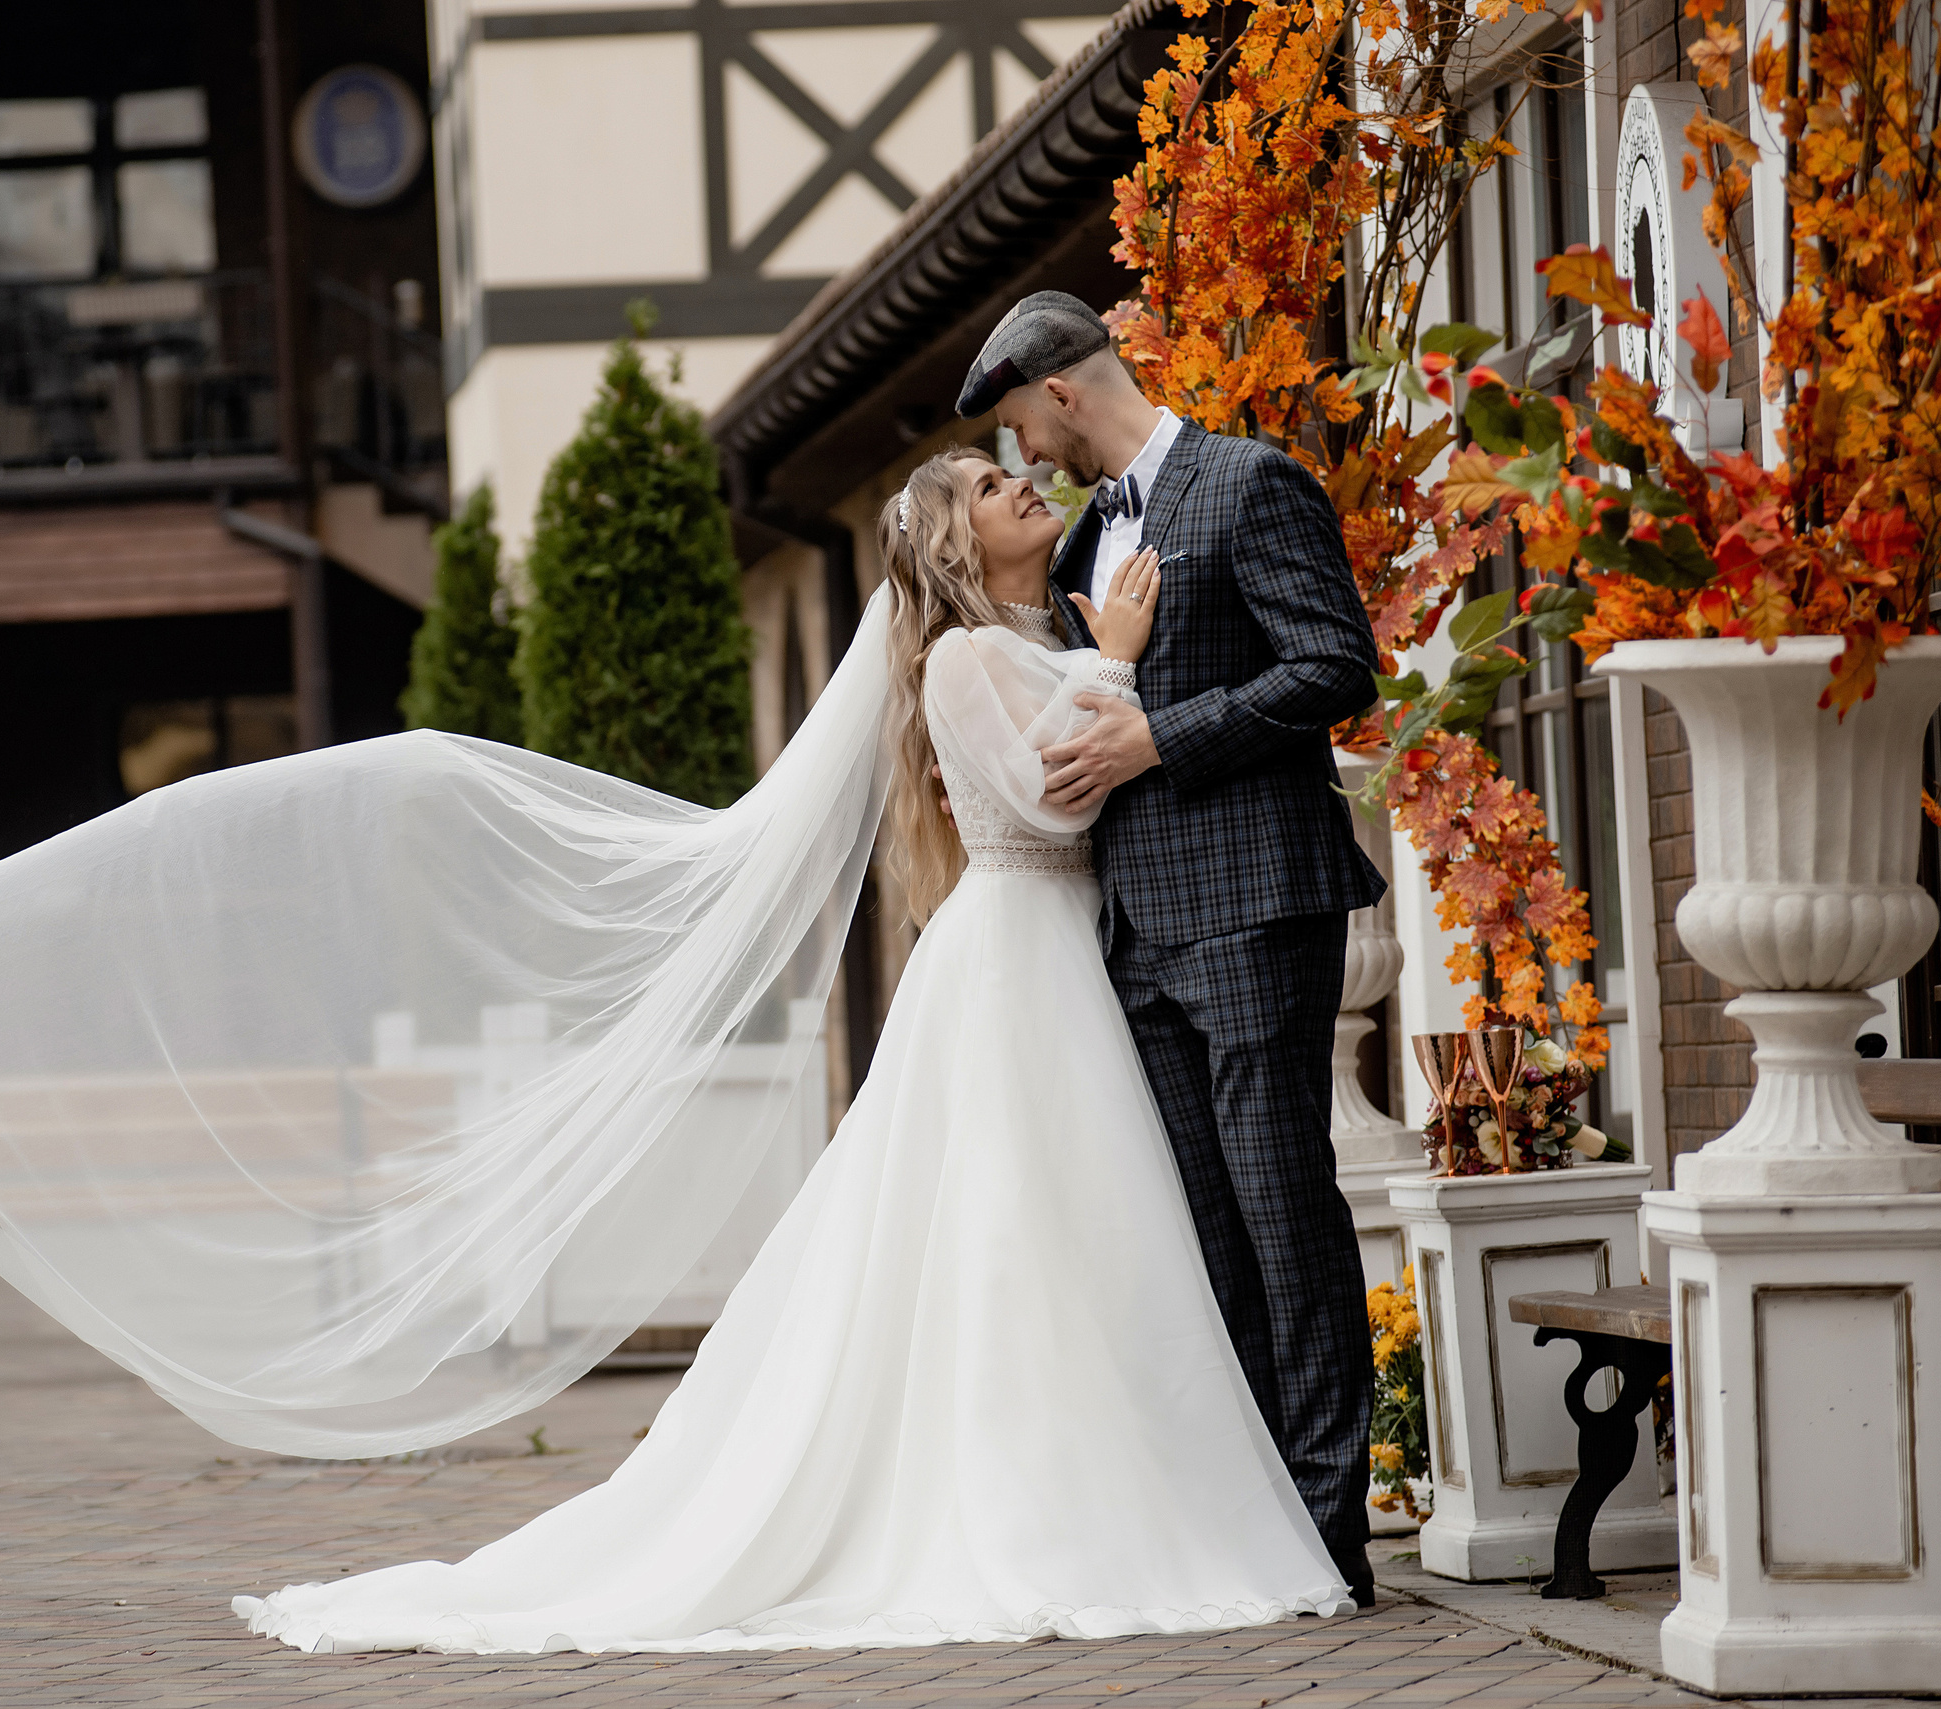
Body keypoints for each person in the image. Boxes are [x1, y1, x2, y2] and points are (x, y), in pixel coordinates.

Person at [226, 448, 1350, 1652]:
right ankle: (1043, 1503)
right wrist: (1117, 662)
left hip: (1094, 946)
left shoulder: (1050, 630)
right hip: (1017, 955)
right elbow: (1049, 799)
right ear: (953, 542)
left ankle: (1159, 1483)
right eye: (985, 485)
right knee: (1019, 1228)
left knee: (1113, 1233)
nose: (1020, 481)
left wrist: (1102, 656)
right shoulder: (962, 655)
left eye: (1008, 469)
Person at [955, 292, 1387, 1604]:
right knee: (1206, 1242)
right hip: (1133, 936)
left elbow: (1336, 666)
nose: (1028, 457)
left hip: (1255, 903)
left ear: (1060, 392)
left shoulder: (1249, 482)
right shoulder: (1087, 539)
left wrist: (1162, 734)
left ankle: (1327, 1539)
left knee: (1284, 1214)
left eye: (1022, 427)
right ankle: (1249, 1529)